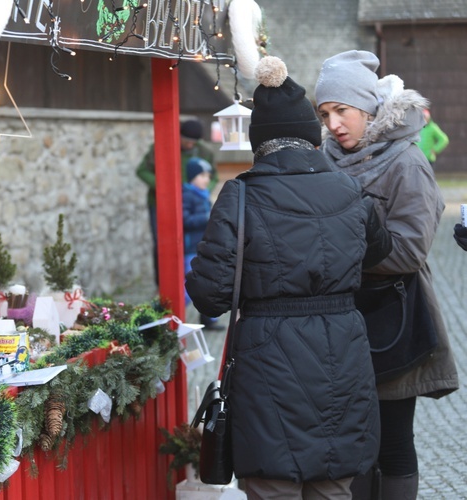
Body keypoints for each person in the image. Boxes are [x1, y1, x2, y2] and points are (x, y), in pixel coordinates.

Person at [186, 55, 392, 499]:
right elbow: (381, 251)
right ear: (310, 137)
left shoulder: (240, 195)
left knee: (272, 485)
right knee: (334, 486)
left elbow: (209, 295)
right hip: (343, 350)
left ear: (258, 144)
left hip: (267, 361)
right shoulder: (351, 191)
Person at [315, 49, 459, 499]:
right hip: (339, 323)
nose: (334, 124)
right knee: (353, 442)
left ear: (369, 107)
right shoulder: (323, 160)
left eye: (342, 110)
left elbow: (409, 251)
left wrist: (336, 254)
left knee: (394, 441)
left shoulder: (406, 162)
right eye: (325, 113)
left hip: (394, 316)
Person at [136, 119, 217, 286]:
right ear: (179, 136)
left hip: (193, 204)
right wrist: (164, 187)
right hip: (161, 204)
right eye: (186, 140)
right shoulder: (162, 147)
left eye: (193, 142)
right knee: (161, 243)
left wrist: (204, 190)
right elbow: (142, 171)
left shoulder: (204, 152)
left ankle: (193, 282)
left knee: (195, 241)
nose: (189, 144)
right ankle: (163, 285)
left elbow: (213, 176)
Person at [182, 157, 221, 329]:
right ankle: (172, 314)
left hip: (203, 247)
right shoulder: (187, 195)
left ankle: (208, 320)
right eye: (203, 175)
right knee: (191, 287)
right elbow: (184, 220)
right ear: (192, 177)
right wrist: (206, 218)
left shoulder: (203, 195)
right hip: (191, 248)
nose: (207, 179)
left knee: (206, 284)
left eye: (208, 176)